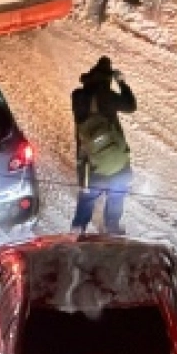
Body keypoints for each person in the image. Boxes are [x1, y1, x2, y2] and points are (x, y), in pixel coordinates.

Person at [70, 57, 136, 234]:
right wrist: (121, 82)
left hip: (91, 161)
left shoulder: (77, 97)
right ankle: (112, 225)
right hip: (117, 163)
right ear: (107, 80)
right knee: (117, 193)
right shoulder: (108, 96)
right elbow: (131, 106)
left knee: (88, 195)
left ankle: (78, 228)